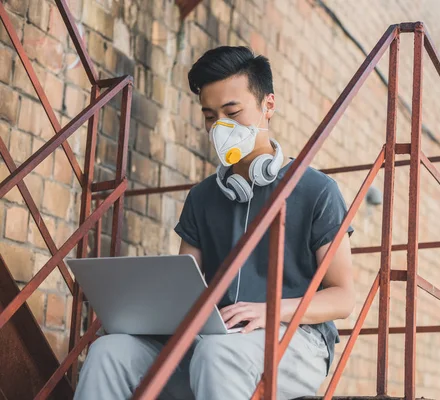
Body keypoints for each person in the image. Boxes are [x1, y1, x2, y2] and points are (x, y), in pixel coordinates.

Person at [74, 46, 355, 400]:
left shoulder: (317, 190)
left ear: (268, 106)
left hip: (296, 341)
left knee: (216, 354)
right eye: (210, 116)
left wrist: (270, 311)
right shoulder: (202, 198)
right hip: (215, 340)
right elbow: (186, 283)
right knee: (109, 351)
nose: (220, 126)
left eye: (232, 112)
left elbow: (343, 297)